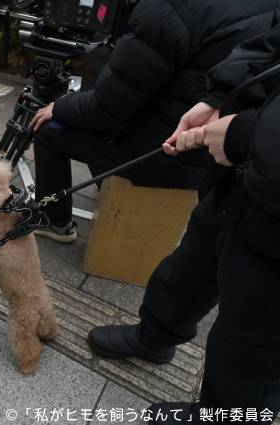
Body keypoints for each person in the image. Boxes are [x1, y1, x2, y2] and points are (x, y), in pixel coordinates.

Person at [87, 6, 280, 422]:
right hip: (245, 174)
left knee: (251, 340)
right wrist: (221, 98)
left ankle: (223, 415)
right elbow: (271, 43)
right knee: (189, 264)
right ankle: (154, 336)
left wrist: (247, 132)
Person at [29, 0, 278, 244]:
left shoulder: (168, 10)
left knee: (48, 129)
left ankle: (53, 222)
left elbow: (105, 109)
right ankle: (104, 185)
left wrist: (59, 107)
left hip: (163, 155)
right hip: (221, 157)